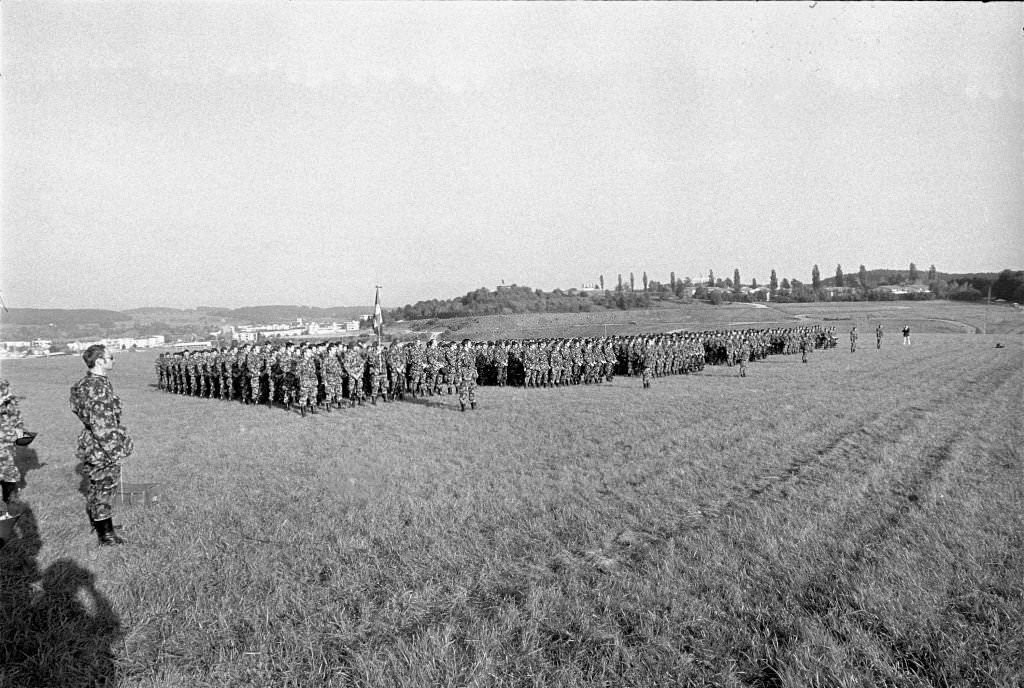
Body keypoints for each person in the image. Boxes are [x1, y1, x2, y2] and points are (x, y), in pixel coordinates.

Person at [69, 345, 134, 546]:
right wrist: (115, 450)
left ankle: (103, 524)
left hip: (92, 442)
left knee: (97, 487)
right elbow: (101, 424)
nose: (113, 360)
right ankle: (106, 535)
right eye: (110, 357)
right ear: (99, 360)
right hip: (101, 445)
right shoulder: (97, 386)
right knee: (104, 487)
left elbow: (77, 409)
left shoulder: (84, 383)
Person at [1, 379, 27, 520]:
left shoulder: (5, 390)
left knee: (9, 471)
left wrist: (20, 435)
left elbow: (16, 416)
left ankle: (11, 503)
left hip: (6, 441)